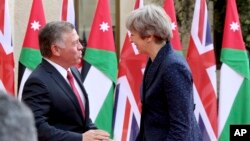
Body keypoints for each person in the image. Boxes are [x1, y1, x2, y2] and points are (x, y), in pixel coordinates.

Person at [22, 21, 110, 141]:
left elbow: (80, 117)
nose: (81, 47)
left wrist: (98, 136)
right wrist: (80, 138)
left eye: (79, 41)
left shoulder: (73, 71)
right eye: (75, 43)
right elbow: (36, 127)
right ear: (56, 49)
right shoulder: (38, 82)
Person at [126, 4, 202, 141]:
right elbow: (150, 119)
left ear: (149, 36)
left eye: (133, 34)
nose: (130, 39)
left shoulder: (173, 67)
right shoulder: (155, 61)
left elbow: (181, 127)